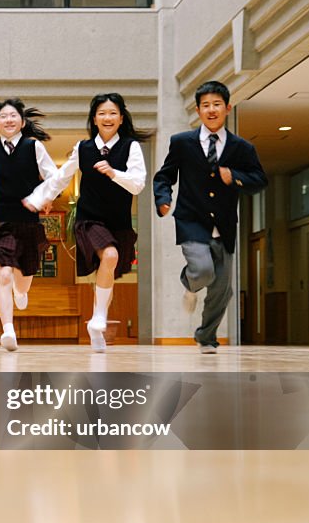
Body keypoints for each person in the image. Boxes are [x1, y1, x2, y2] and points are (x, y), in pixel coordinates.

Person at [25, 93, 149, 352]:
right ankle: (99, 318)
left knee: (110, 270)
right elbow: (61, 177)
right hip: (89, 218)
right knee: (111, 255)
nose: (107, 118)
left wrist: (114, 173)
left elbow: (137, 184)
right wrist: (39, 198)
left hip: (120, 221)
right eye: (102, 113)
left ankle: (97, 324)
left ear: (121, 118)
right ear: (94, 118)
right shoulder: (84, 148)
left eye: (113, 113)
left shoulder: (131, 147)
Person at [153, 80, 268, 353]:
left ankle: (206, 336)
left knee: (222, 289)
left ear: (227, 108)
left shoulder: (242, 148)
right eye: (206, 105)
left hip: (225, 224)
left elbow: (259, 180)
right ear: (198, 110)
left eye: (217, 104)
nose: (211, 110)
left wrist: (235, 177)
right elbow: (164, 176)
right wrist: (163, 199)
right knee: (203, 270)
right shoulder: (182, 143)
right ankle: (189, 284)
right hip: (191, 220)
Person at [0, 98, 58, 351]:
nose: (8, 120)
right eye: (3, 116)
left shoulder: (33, 147)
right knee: (3, 274)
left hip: (27, 222)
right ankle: (8, 330)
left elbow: (54, 178)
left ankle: (21, 293)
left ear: (21, 122)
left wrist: (44, 198)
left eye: (13, 116)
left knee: (23, 279)